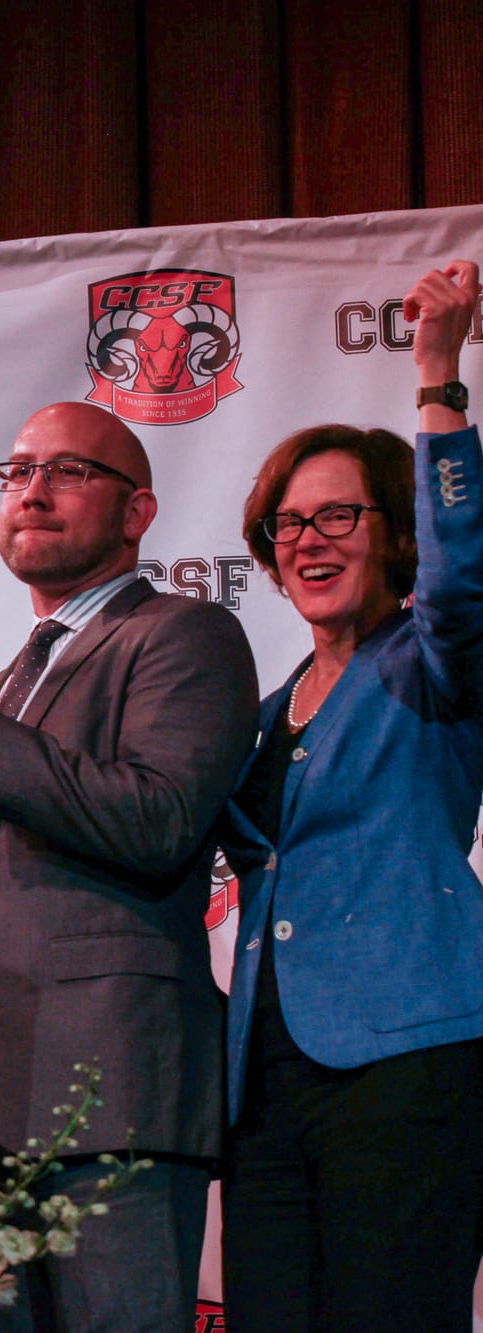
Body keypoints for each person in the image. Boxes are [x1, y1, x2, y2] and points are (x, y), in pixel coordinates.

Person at [0, 400, 257, 1331]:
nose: (33, 490)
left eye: (69, 471)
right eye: (20, 471)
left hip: (108, 1097)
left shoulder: (183, 635)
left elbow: (158, 818)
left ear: (139, 511)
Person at [218, 260, 483, 1331]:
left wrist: (437, 375)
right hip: (264, 1083)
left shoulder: (430, 663)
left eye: (337, 515)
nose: (307, 540)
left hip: (403, 1064)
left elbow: (463, 575)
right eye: (286, 525)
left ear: (394, 533)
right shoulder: (260, 708)